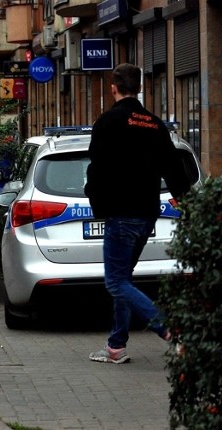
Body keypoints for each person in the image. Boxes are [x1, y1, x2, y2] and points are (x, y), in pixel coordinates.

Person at [84, 63, 192, 364]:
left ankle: (170, 330)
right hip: (146, 214)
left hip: (121, 215)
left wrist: (97, 204)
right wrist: (188, 203)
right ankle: (116, 346)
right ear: (139, 87)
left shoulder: (108, 122)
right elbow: (174, 168)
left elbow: (97, 169)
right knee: (123, 278)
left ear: (113, 87)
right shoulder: (153, 123)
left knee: (115, 282)